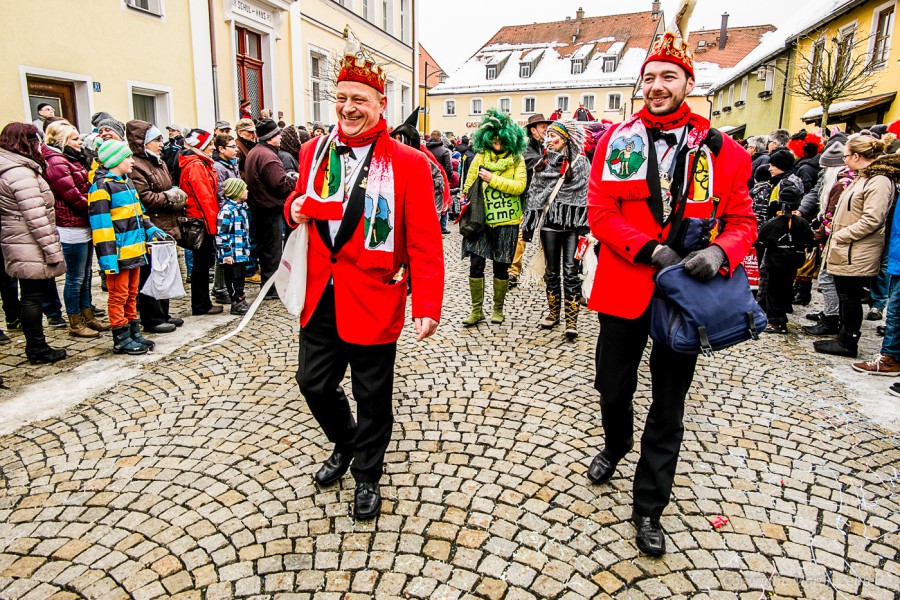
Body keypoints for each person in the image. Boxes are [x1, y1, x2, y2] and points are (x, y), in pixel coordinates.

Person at [584, 11, 757, 557]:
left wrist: (719, 251)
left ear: (689, 84)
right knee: (612, 386)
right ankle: (615, 443)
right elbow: (600, 210)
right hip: (624, 284)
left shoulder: (725, 153)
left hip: (686, 297)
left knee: (669, 403)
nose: (658, 87)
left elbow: (743, 223)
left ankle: (649, 506)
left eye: (669, 78)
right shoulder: (616, 139)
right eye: (650, 78)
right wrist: (647, 248)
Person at [284, 36, 443, 521]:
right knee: (313, 383)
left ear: (381, 105)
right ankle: (346, 442)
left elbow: (424, 241)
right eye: (341, 98)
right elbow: (303, 209)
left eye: (359, 99)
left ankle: (367, 474)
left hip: (375, 292)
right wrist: (293, 210)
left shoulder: (409, 164)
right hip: (321, 290)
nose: (349, 108)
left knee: (372, 394)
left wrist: (428, 304)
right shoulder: (314, 151)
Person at [814, 135, 899, 358]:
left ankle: (848, 341)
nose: (844, 161)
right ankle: (843, 337)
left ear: (856, 156)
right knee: (845, 294)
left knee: (850, 296)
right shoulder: (864, 177)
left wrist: (841, 235)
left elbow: (873, 218)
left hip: (857, 248)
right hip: (848, 246)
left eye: (846, 156)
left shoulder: (878, 180)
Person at [89, 140, 167, 355]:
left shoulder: (127, 183)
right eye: (128, 158)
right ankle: (120, 336)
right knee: (118, 295)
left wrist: (152, 231)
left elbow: (140, 214)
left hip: (136, 250)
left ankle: (133, 331)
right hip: (118, 254)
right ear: (115, 160)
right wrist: (108, 260)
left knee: (132, 293)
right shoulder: (101, 187)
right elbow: (101, 227)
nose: (132, 161)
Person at [0, 123, 67, 363]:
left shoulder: (12, 167)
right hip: (27, 240)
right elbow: (36, 217)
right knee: (32, 296)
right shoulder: (20, 172)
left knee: (30, 295)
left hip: (17, 237)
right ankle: (37, 348)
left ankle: (36, 346)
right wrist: (52, 252)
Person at [521, 119, 589, 340]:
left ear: (566, 138)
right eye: (547, 136)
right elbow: (534, 194)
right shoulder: (542, 163)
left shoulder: (580, 163)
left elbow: (586, 196)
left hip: (572, 227)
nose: (549, 140)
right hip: (549, 225)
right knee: (551, 272)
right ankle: (553, 313)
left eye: (554, 136)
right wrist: (529, 225)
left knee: (570, 273)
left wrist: (584, 227)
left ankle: (572, 321)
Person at [42, 121, 109, 338]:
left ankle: (88, 314)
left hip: (83, 223)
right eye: (75, 139)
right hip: (71, 225)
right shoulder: (56, 162)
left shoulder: (72, 159)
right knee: (75, 277)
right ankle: (75, 320)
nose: (80, 142)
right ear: (61, 141)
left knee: (86, 275)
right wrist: (95, 206)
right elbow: (71, 194)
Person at [460, 108, 527, 326]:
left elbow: (519, 187)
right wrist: (464, 200)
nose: (498, 144)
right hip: (480, 221)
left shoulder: (517, 160)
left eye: (502, 140)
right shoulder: (479, 157)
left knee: (501, 266)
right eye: (494, 140)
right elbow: (468, 185)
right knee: (476, 265)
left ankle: (498, 309)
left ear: (511, 140)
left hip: (507, 222)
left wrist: (492, 179)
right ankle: (476, 310)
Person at [126, 119, 188, 333]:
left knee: (164, 269)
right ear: (144, 142)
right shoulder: (136, 164)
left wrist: (172, 194)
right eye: (157, 140)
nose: (161, 143)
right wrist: (169, 197)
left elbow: (165, 185)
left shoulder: (157, 161)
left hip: (166, 223)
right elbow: (143, 197)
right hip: (151, 223)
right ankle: (151, 317)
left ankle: (163, 311)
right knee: (151, 272)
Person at [244, 118, 296, 294]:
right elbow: (280, 184)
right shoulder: (267, 156)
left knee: (267, 249)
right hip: (268, 208)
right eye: (277, 134)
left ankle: (269, 285)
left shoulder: (256, 152)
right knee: (272, 250)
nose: (280, 137)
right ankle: (272, 287)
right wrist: (294, 180)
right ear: (270, 137)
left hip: (259, 207)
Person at [179, 129, 224, 316]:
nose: (213, 148)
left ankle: (203, 301)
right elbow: (204, 197)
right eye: (210, 144)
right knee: (202, 264)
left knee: (203, 263)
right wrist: (213, 226)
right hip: (201, 220)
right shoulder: (196, 165)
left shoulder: (200, 163)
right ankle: (201, 304)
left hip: (203, 218)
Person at [509, 113, 551, 287]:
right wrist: (551, 159)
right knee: (521, 235)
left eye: (546, 127)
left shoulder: (546, 145)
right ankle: (513, 271)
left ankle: (549, 271)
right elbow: (531, 162)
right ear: (533, 130)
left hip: (545, 198)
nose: (546, 130)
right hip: (528, 198)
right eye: (542, 127)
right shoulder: (526, 148)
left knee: (548, 234)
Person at [211, 133, 241, 304]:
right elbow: (221, 193)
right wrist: (229, 209)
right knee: (223, 252)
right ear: (221, 149)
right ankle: (220, 288)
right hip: (226, 213)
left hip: (234, 211)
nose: (236, 150)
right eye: (232, 147)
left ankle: (225, 287)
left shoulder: (232, 164)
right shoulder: (219, 167)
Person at [216, 178, 251, 315]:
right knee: (233, 278)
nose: (247, 191)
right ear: (237, 192)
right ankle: (235, 301)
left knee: (241, 277)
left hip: (241, 251)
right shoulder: (227, 211)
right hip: (232, 254)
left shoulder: (242, 208)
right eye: (244, 189)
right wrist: (226, 254)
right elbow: (222, 234)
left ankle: (241, 298)